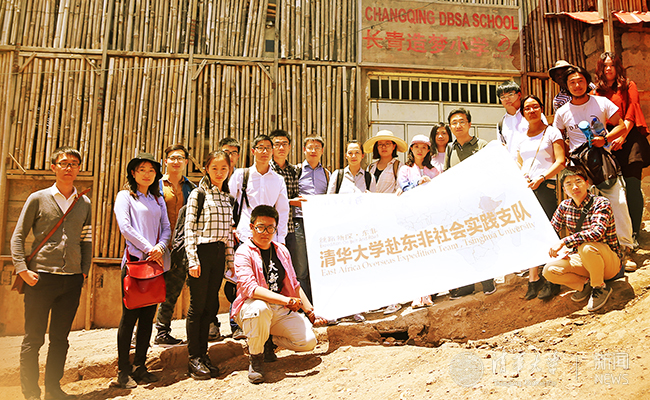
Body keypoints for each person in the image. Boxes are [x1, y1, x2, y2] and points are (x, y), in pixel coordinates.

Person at [11, 146, 92, 400]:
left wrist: (84, 272)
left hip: (72, 280)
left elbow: (86, 240)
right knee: (33, 339)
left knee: (60, 338)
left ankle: (54, 390)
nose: (69, 168)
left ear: (79, 169)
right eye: (64, 163)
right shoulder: (38, 198)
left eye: (74, 164)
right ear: (54, 167)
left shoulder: (84, 203)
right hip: (40, 278)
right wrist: (22, 270)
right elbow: (18, 236)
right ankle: (31, 394)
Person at [553, 65, 637, 272]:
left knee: (618, 202)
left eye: (580, 81)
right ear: (566, 86)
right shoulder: (562, 112)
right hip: (579, 167)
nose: (577, 85)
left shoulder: (601, 102)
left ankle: (625, 250)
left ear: (586, 82)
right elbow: (558, 137)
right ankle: (587, 255)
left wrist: (605, 139)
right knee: (583, 208)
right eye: (572, 82)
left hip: (603, 161)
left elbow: (621, 126)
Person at [232, 205, 327, 384]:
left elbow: (294, 284)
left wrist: (311, 312)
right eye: (261, 227)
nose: (266, 232)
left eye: (271, 228)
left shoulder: (281, 250)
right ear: (252, 227)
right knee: (260, 308)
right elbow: (250, 289)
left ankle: (267, 339)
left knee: (308, 342)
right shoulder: (243, 252)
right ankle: (256, 359)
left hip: (279, 310)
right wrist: (286, 300)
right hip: (251, 308)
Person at [113, 152, 171, 389]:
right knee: (129, 318)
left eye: (151, 170)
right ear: (133, 173)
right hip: (135, 263)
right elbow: (125, 228)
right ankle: (123, 371)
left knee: (148, 318)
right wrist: (149, 248)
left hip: (155, 265)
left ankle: (140, 366)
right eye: (142, 170)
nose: (147, 174)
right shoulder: (125, 196)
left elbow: (166, 227)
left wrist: (160, 247)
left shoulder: (157, 199)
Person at [592, 51, 650, 265]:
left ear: (618, 67)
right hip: (606, 139)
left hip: (629, 137)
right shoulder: (596, 91)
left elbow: (632, 112)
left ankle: (634, 233)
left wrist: (622, 136)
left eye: (612, 65)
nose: (608, 69)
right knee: (611, 189)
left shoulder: (628, 86)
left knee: (632, 186)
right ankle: (614, 232)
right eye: (605, 65)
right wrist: (607, 139)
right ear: (600, 69)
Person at [543, 166, 622, 312]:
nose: (574, 187)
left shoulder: (601, 203)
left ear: (587, 183)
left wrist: (564, 242)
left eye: (578, 181)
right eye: (569, 184)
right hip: (583, 260)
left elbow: (596, 233)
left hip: (608, 262)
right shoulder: (564, 206)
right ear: (564, 189)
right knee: (549, 270)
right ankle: (585, 284)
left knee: (586, 247)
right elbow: (550, 231)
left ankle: (600, 287)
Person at [184, 151, 234, 380]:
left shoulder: (227, 197)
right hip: (201, 253)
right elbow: (189, 229)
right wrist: (193, 260)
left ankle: (204, 355)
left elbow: (228, 235)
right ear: (206, 168)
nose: (219, 172)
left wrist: (230, 262)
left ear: (229, 170)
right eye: (214, 168)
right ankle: (193, 358)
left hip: (218, 255)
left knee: (210, 306)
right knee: (197, 306)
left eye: (224, 168)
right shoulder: (198, 194)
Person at [516, 95, 566, 300]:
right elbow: (519, 164)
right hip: (527, 189)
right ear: (523, 113)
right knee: (531, 231)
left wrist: (542, 177)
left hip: (546, 186)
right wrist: (523, 179)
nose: (532, 111)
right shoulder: (521, 137)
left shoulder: (552, 132)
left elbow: (561, 161)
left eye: (535, 106)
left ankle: (553, 279)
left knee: (549, 231)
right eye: (527, 108)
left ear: (542, 109)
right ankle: (533, 278)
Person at [444, 108, 496, 297]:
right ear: (450, 127)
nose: (458, 125)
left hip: (479, 203)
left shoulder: (481, 145)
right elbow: (446, 174)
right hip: (459, 204)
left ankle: (487, 280)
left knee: (483, 239)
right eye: (454, 123)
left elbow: (489, 171)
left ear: (469, 124)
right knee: (463, 241)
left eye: (462, 122)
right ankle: (467, 284)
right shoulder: (450, 148)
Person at [154, 144, 196, 346]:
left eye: (180, 158)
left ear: (186, 162)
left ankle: (162, 331)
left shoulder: (191, 188)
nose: (176, 161)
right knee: (149, 289)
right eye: (172, 157)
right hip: (157, 246)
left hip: (180, 247)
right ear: (166, 161)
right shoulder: (155, 185)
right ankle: (138, 333)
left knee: (172, 290)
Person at [397, 135, 439, 308]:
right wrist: (418, 183)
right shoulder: (405, 169)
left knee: (429, 253)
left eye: (424, 147)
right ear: (411, 149)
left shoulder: (434, 171)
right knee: (414, 254)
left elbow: (440, 190)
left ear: (428, 150)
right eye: (416, 147)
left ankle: (427, 294)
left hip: (429, 217)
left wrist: (430, 185)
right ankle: (416, 295)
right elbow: (404, 187)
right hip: (411, 217)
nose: (420, 150)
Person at [229, 134, 290, 245]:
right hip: (245, 234)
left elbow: (282, 210)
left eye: (268, 148)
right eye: (260, 148)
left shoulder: (278, 180)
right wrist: (231, 227)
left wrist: (281, 237)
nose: (264, 152)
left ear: (272, 151)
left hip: (269, 236)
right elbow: (228, 202)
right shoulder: (241, 175)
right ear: (253, 151)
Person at [292, 135, 330, 303]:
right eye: (310, 147)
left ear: (322, 150)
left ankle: (320, 303)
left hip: (320, 224)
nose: (313, 150)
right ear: (304, 150)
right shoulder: (296, 171)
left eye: (317, 147)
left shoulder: (327, 174)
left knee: (319, 265)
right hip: (300, 221)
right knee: (301, 267)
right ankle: (306, 307)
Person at [363, 130, 407, 194]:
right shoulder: (370, 167)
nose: (384, 147)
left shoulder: (399, 166)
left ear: (394, 146)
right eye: (380, 144)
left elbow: (400, 188)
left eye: (387, 144)